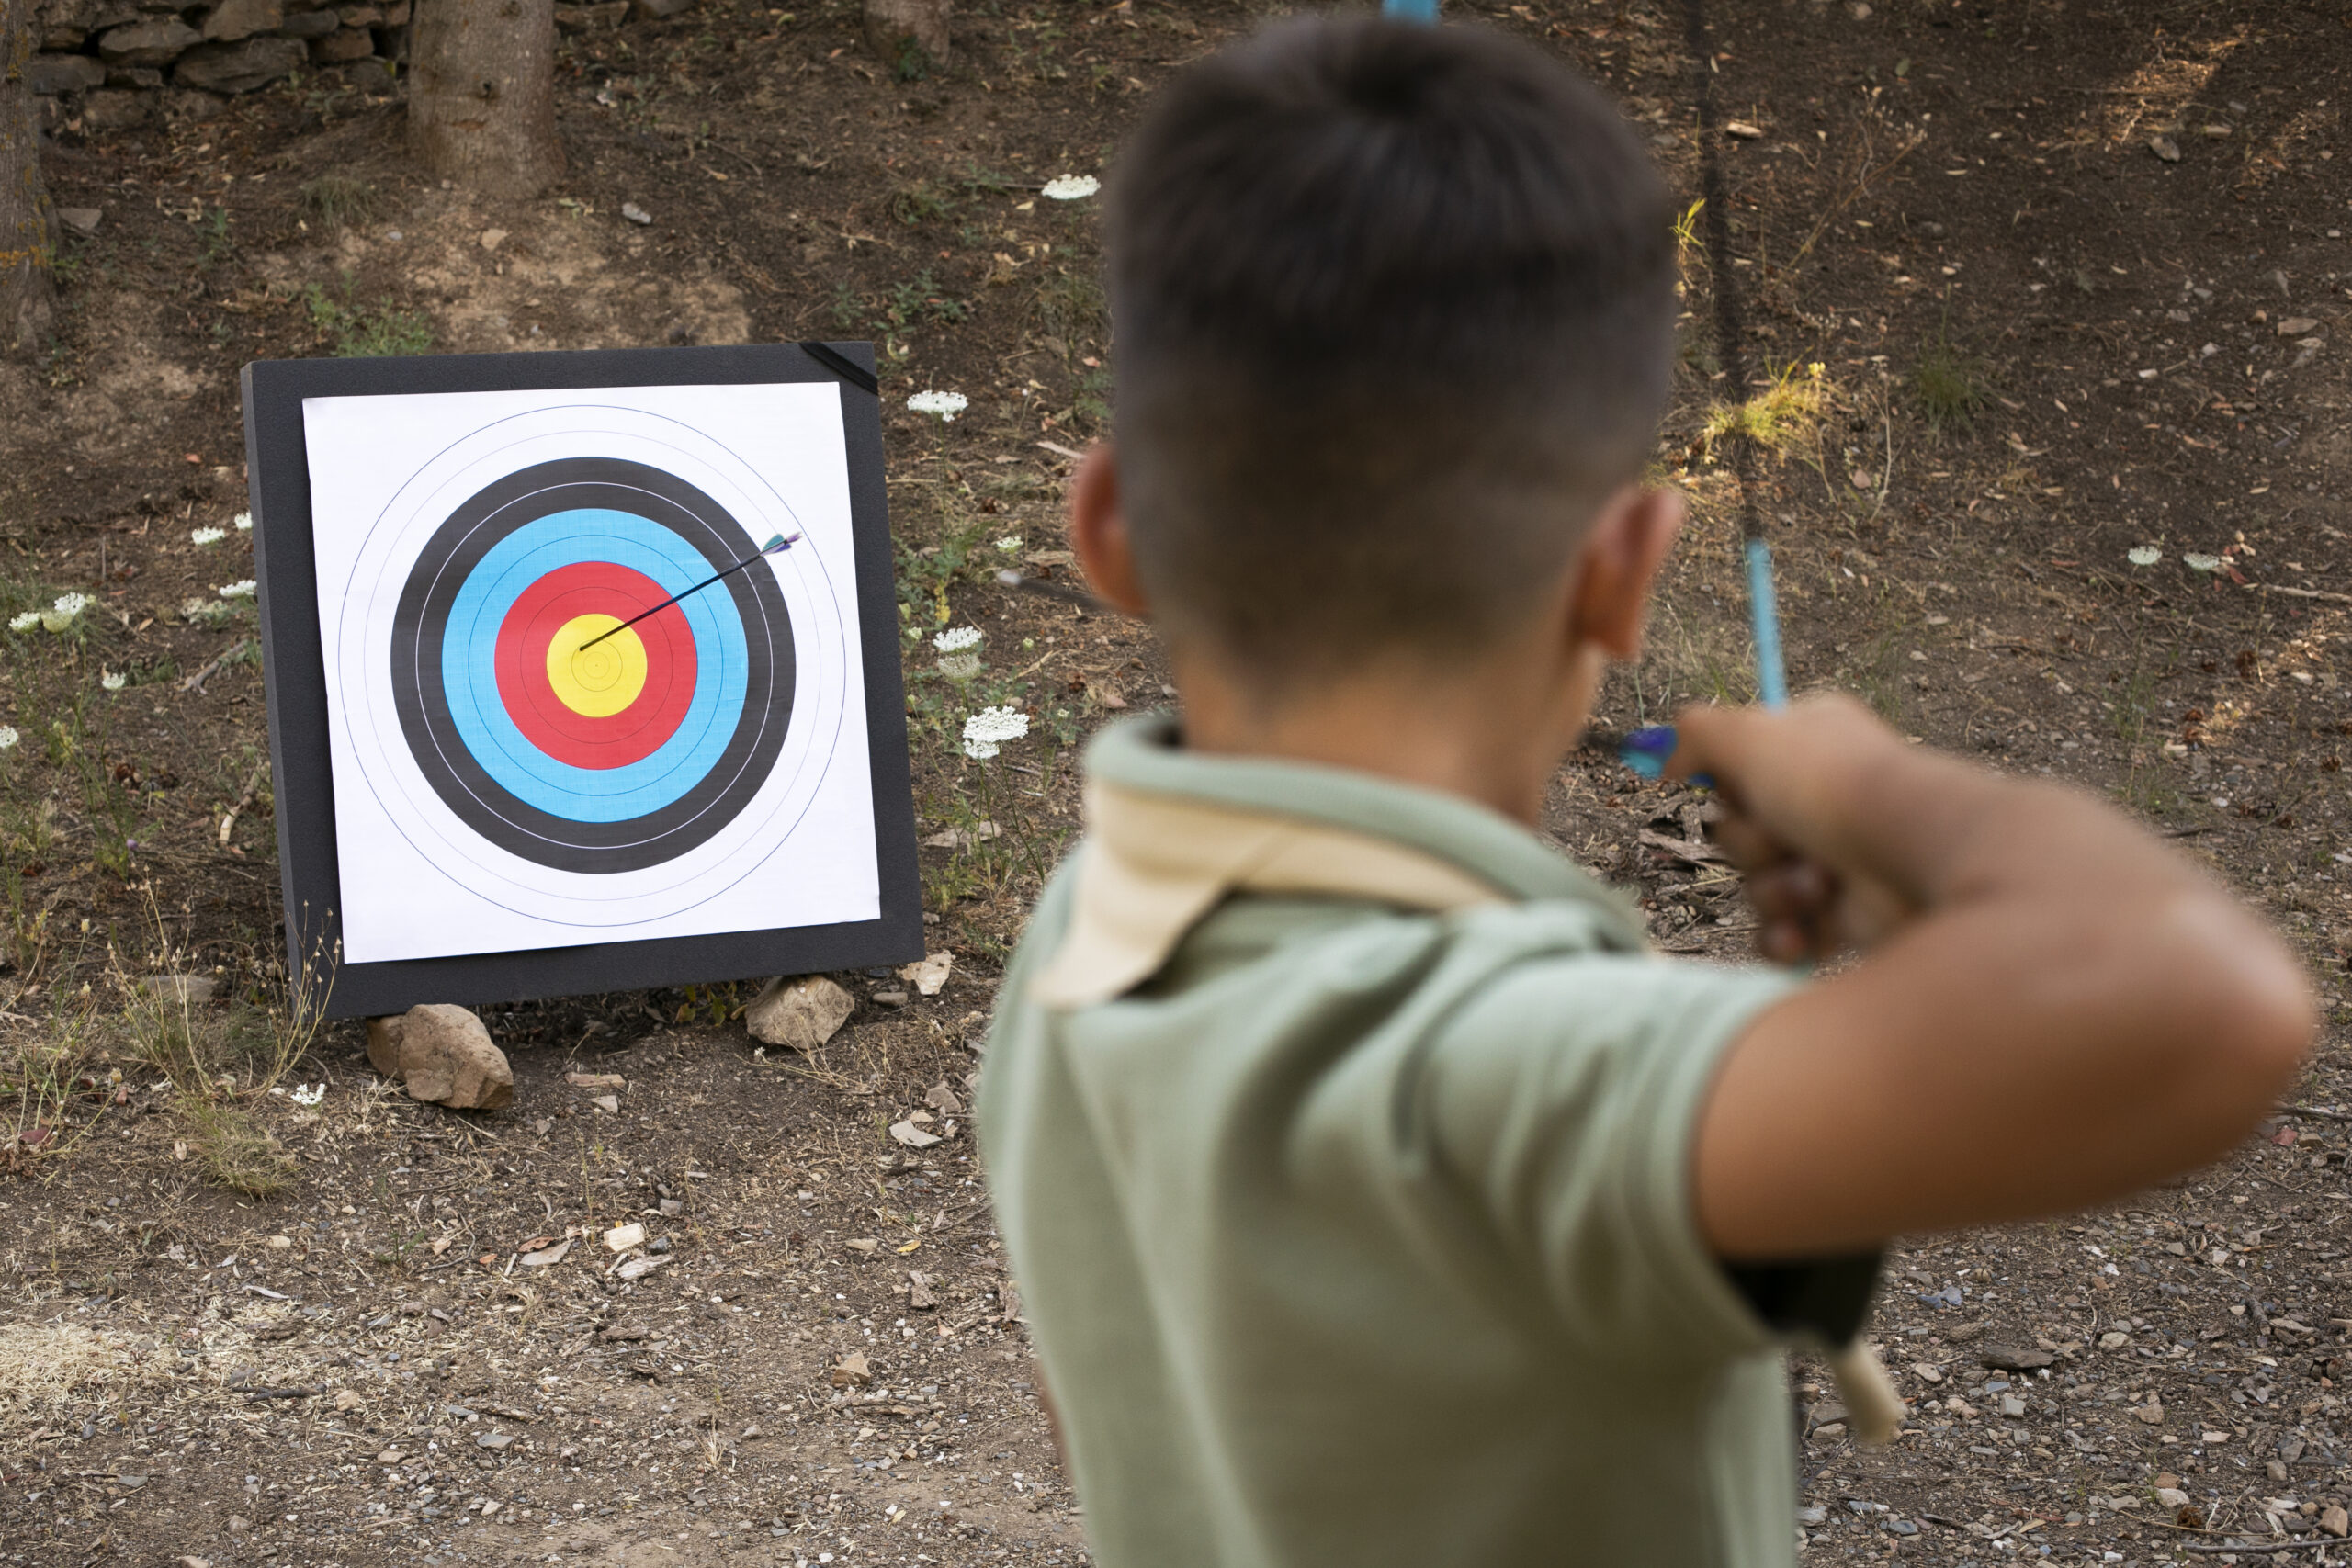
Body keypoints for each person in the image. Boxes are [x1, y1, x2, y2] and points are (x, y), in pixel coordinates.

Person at [971, 14, 2316, 1566]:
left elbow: (1125, 1409)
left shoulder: (1083, 934)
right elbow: (2205, 1004)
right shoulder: (1501, 1071)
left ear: (1109, 529)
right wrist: (1873, 784)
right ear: (1621, 573)